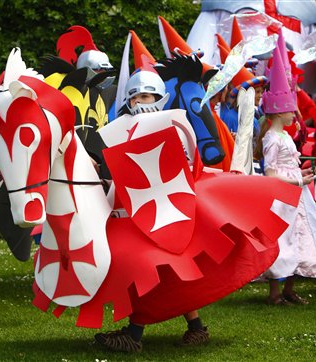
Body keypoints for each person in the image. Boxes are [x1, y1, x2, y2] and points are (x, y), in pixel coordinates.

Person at [94, 69, 209, 352]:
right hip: (137, 212)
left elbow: (177, 170)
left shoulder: (172, 128)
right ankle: (195, 327)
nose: (141, 102)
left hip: (163, 210)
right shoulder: (120, 129)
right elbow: (125, 171)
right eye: (136, 97)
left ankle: (134, 335)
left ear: (160, 98)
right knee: (162, 274)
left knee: (150, 271)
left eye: (147, 95)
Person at [254, 46, 316, 305]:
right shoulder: (271, 138)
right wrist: (297, 179)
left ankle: (290, 287)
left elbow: (286, 165)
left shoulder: (284, 136)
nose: (295, 115)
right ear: (279, 112)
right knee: (283, 238)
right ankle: (274, 292)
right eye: (291, 110)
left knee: (300, 236)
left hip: (296, 194)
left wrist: (300, 172)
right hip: (283, 197)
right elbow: (271, 173)